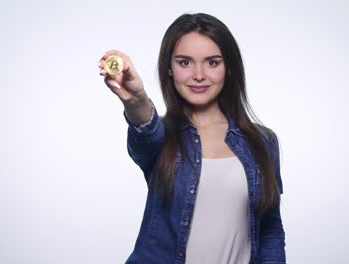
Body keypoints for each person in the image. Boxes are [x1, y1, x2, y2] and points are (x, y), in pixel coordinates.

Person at [98, 13, 286, 264]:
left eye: (212, 62)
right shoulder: (162, 137)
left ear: (229, 68)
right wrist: (136, 99)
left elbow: (270, 230)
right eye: (185, 63)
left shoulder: (262, 142)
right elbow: (144, 129)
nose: (199, 75)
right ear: (169, 68)